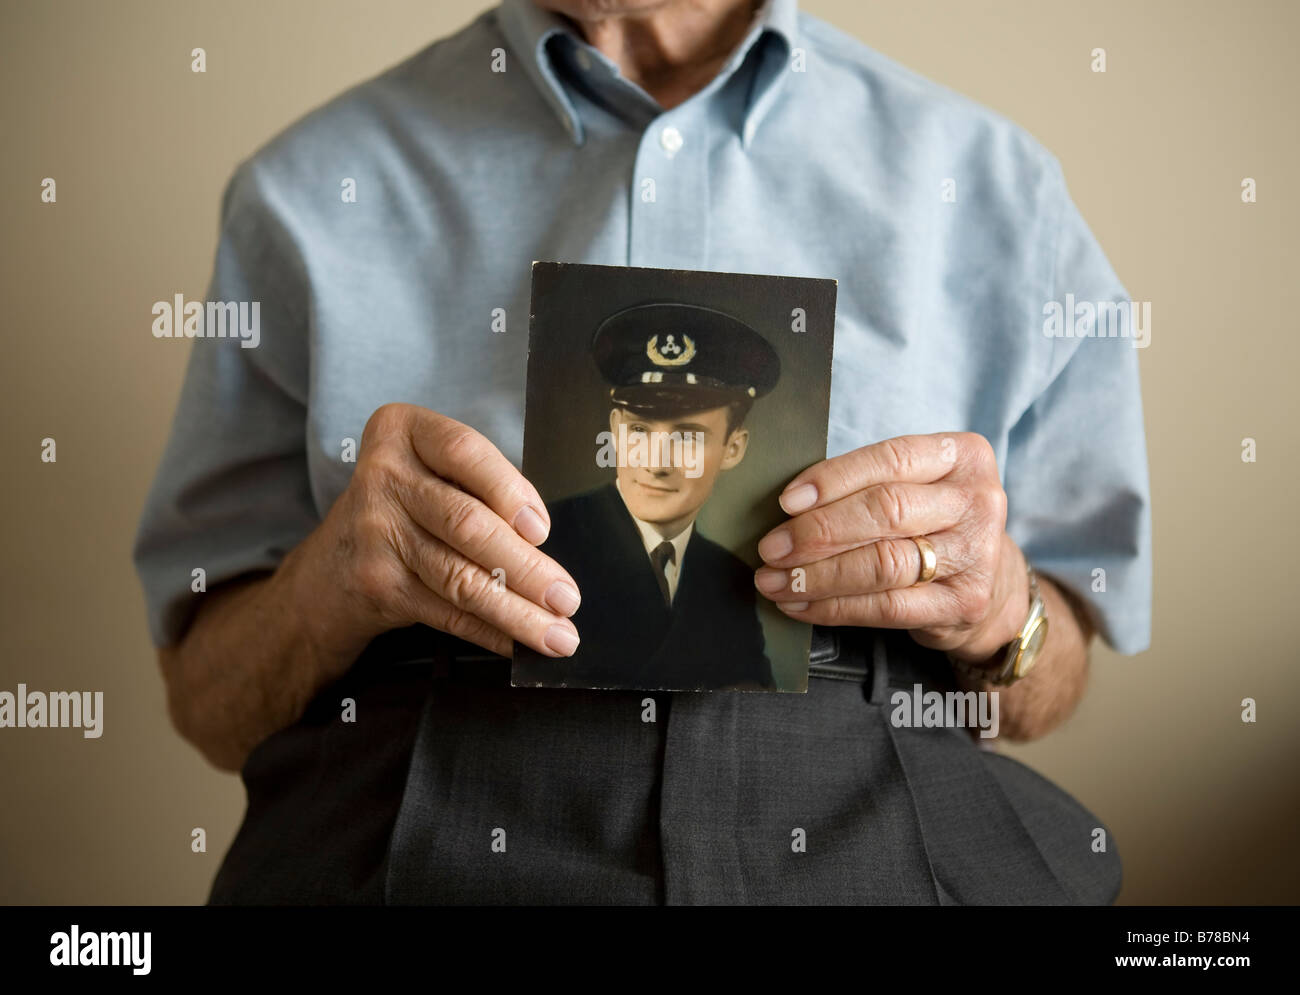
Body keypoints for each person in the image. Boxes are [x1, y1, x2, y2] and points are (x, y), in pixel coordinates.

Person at [133, 0, 1150, 904]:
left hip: (876, 803)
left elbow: (1051, 685)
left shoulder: (995, 186)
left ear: (734, 437)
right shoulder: (306, 188)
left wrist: (997, 606)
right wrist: (328, 587)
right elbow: (210, 706)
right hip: (421, 799)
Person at [513, 300, 780, 691]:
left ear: (733, 448)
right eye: (639, 431)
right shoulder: (546, 539)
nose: (656, 464)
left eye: (688, 436)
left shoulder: (730, 576)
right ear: (615, 428)